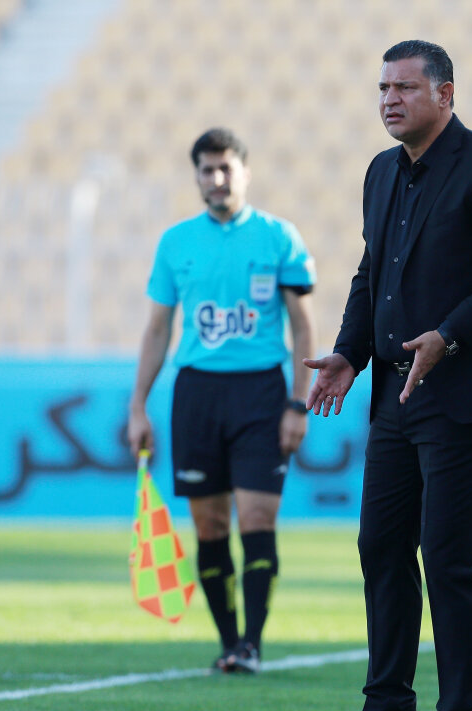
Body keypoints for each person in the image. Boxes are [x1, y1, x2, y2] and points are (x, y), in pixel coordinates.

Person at [305, 41, 472, 711]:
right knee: (381, 545)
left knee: (446, 555)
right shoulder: (381, 172)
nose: (390, 100)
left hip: (470, 391)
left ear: (445, 94)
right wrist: (350, 353)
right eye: (383, 88)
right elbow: (371, 273)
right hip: (396, 393)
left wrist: (448, 336)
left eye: (405, 88)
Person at [127, 128, 316, 674]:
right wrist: (138, 405)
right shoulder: (176, 243)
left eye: (225, 168)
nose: (216, 179)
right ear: (196, 176)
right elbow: (157, 330)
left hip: (261, 393)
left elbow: (304, 328)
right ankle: (229, 642)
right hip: (198, 394)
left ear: (244, 172)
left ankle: (251, 644)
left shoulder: (278, 237)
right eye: (207, 170)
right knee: (209, 527)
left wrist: (297, 404)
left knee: (257, 516)